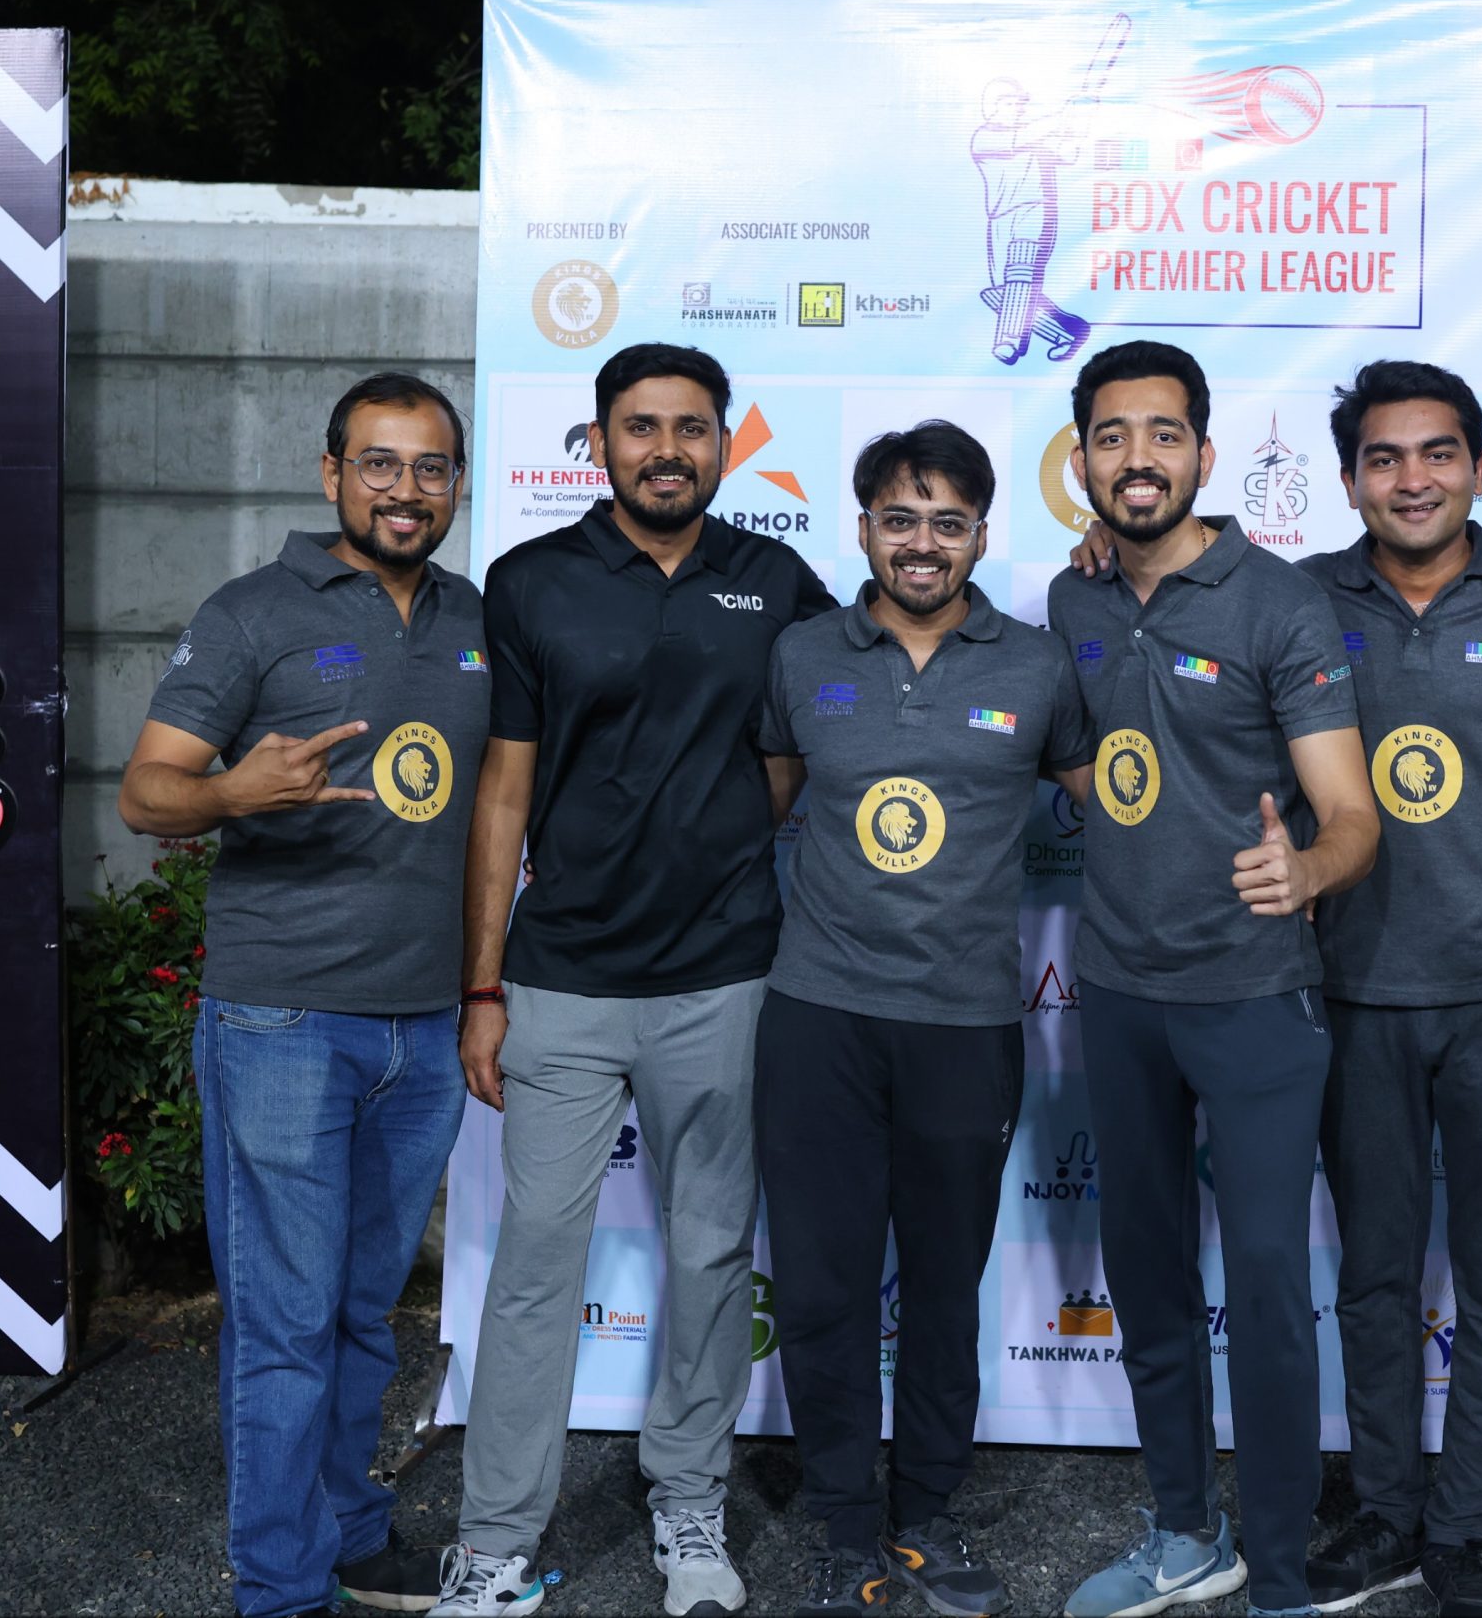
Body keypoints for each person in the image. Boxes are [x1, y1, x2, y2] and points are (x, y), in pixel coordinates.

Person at [437, 343, 835, 1618]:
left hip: (724, 975)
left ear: (724, 443)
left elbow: (830, 714)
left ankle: (689, 1501)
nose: (668, 449)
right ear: (600, 441)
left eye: (692, 427)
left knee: (712, 1252)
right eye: (642, 426)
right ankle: (495, 1539)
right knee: (535, 1262)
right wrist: (483, 986)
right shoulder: (531, 579)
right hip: (561, 979)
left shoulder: (776, 579)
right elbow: (504, 789)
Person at [120, 372, 485, 1618]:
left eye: (430, 466)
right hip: (282, 1022)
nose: (405, 489)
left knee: (364, 1316)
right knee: (283, 1324)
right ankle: (279, 1589)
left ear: (456, 484)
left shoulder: (473, 621)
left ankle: (351, 1536)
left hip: (421, 1029)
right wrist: (232, 792)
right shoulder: (250, 613)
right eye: (379, 463)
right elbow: (146, 790)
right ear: (332, 473)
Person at [1046, 340, 1381, 1618]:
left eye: (1163, 433)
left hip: (1253, 997)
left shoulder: (1277, 603)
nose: (1138, 458)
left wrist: (1308, 870)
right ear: (1083, 459)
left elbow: (1353, 814)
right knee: (1146, 1277)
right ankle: (1188, 1533)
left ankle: (1281, 1575)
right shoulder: (1074, 598)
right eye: (1112, 435)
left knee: (1270, 1287)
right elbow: (1082, 761)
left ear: (1204, 451)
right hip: (1119, 993)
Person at [753, 420, 1093, 1616]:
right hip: (819, 1016)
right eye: (900, 519)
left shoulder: (1037, 665)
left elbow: (1122, 808)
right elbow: (756, 811)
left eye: (948, 522)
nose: (922, 543)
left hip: (964, 1023)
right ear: (862, 529)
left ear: (981, 537)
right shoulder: (801, 654)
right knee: (823, 1286)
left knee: (945, 1287)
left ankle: (928, 1515)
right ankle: (845, 1522)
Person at [1293, 360, 1482, 1618]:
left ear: (1477, 465)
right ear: (1350, 477)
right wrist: (1098, 547)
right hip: (1354, 985)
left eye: (1437, 453)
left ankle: (1460, 1532)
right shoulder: (1299, 598)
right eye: (1384, 458)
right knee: (1374, 1275)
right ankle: (1384, 1513)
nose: (1412, 479)